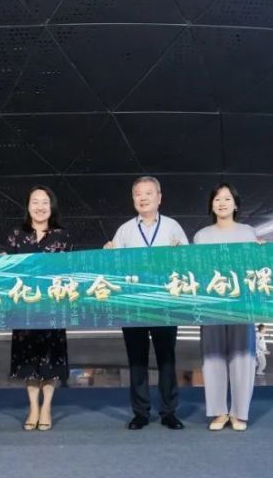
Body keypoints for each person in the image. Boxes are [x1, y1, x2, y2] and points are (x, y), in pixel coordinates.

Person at [105, 176, 188, 430]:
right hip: (133, 304)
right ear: (133, 199)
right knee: (136, 359)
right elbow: (113, 266)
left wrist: (181, 254)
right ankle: (140, 412)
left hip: (165, 303)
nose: (143, 198)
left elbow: (189, 261)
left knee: (167, 359)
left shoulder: (173, 227)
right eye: (138, 194)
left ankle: (168, 411)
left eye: (148, 193)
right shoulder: (125, 230)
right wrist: (108, 253)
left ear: (159, 197)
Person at [194, 183, 259, 431]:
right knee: (212, 356)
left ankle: (240, 413)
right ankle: (219, 412)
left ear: (236, 205)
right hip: (212, 304)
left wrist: (264, 253)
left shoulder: (248, 233)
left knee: (243, 356)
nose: (222, 203)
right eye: (217, 199)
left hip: (242, 304)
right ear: (211, 205)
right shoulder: (201, 236)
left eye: (227, 198)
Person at [7, 186, 72, 431]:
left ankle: (47, 408)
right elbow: (9, 272)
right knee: (28, 360)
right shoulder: (16, 235)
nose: (40, 206)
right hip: (25, 309)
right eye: (35, 201)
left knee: (50, 360)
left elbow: (71, 272)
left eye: (45, 202)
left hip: (52, 308)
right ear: (28, 206)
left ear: (51, 206)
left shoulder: (62, 236)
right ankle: (33, 407)